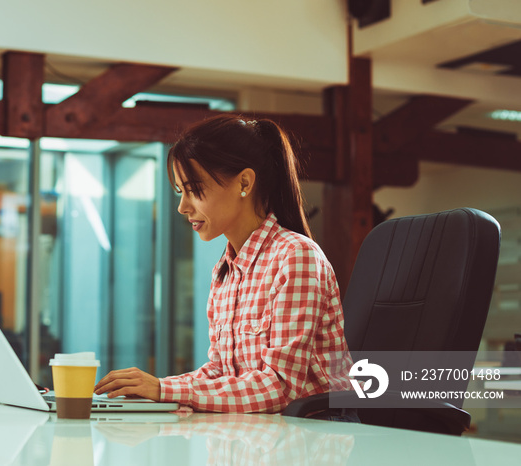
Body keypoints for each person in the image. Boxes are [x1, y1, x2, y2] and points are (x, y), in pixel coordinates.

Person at [94, 114, 354, 416]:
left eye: (194, 189)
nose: (182, 207)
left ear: (244, 182)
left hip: (316, 438)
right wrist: (153, 392)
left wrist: (165, 390)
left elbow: (280, 388)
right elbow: (221, 373)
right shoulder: (225, 271)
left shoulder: (296, 257)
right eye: (181, 192)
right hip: (260, 437)